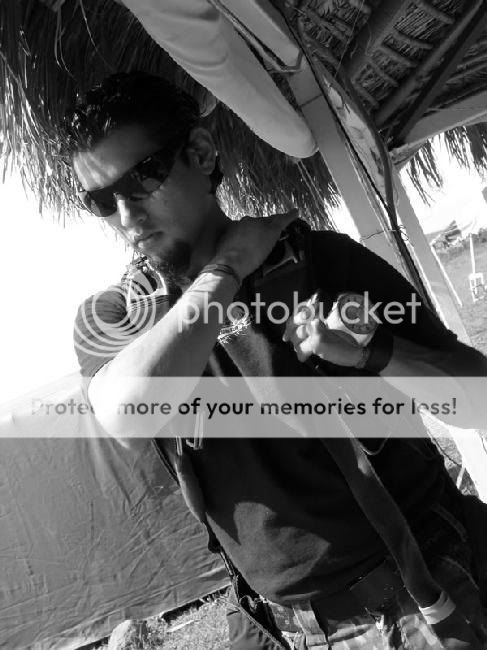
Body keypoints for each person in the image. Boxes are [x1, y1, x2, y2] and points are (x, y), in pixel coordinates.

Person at [68, 72, 487, 649]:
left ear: (200, 153)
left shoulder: (322, 262)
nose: (126, 216)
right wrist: (228, 269)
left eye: (143, 178)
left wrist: (376, 350)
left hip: (426, 599)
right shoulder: (118, 317)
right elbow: (126, 414)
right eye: (100, 201)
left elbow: (476, 402)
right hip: (290, 629)